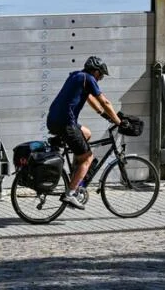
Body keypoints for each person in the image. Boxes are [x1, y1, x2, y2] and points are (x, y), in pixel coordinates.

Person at [47, 56, 122, 209]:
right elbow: (104, 101)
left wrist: (101, 113)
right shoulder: (88, 78)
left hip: (55, 120)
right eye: (100, 75)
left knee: (86, 133)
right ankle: (71, 193)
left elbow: (89, 98)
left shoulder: (77, 76)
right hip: (66, 123)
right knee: (88, 158)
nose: (100, 78)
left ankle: (76, 174)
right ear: (95, 71)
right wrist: (118, 121)